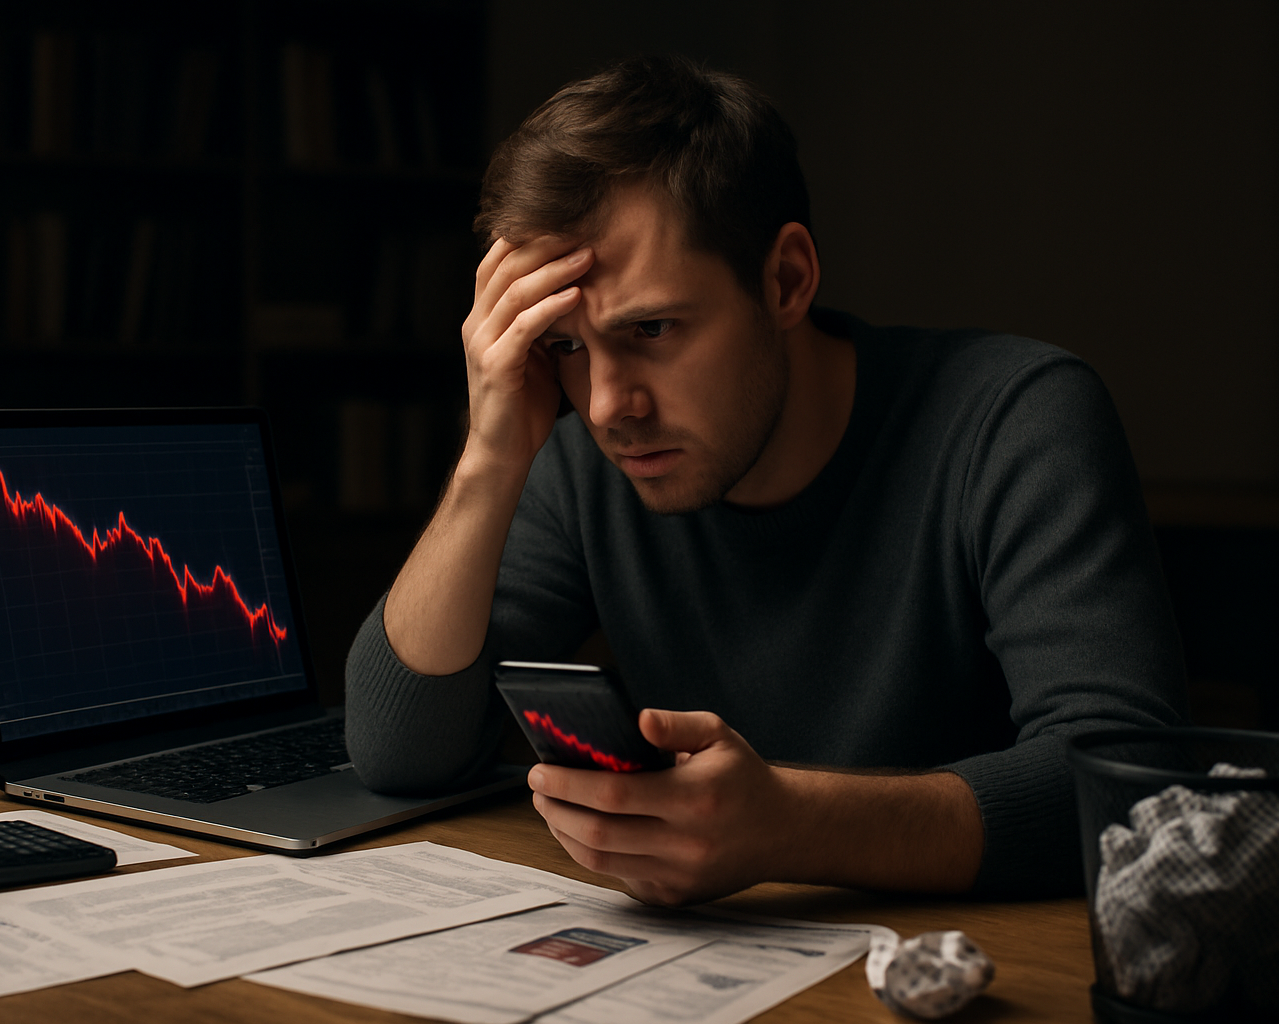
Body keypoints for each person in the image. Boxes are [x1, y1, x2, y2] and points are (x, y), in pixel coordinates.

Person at [343, 54, 1187, 905]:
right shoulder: (582, 466)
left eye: (653, 329)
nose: (605, 406)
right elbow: (398, 751)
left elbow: (1130, 782)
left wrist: (793, 826)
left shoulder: (1016, 420)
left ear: (785, 280)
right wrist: (488, 458)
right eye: (564, 345)